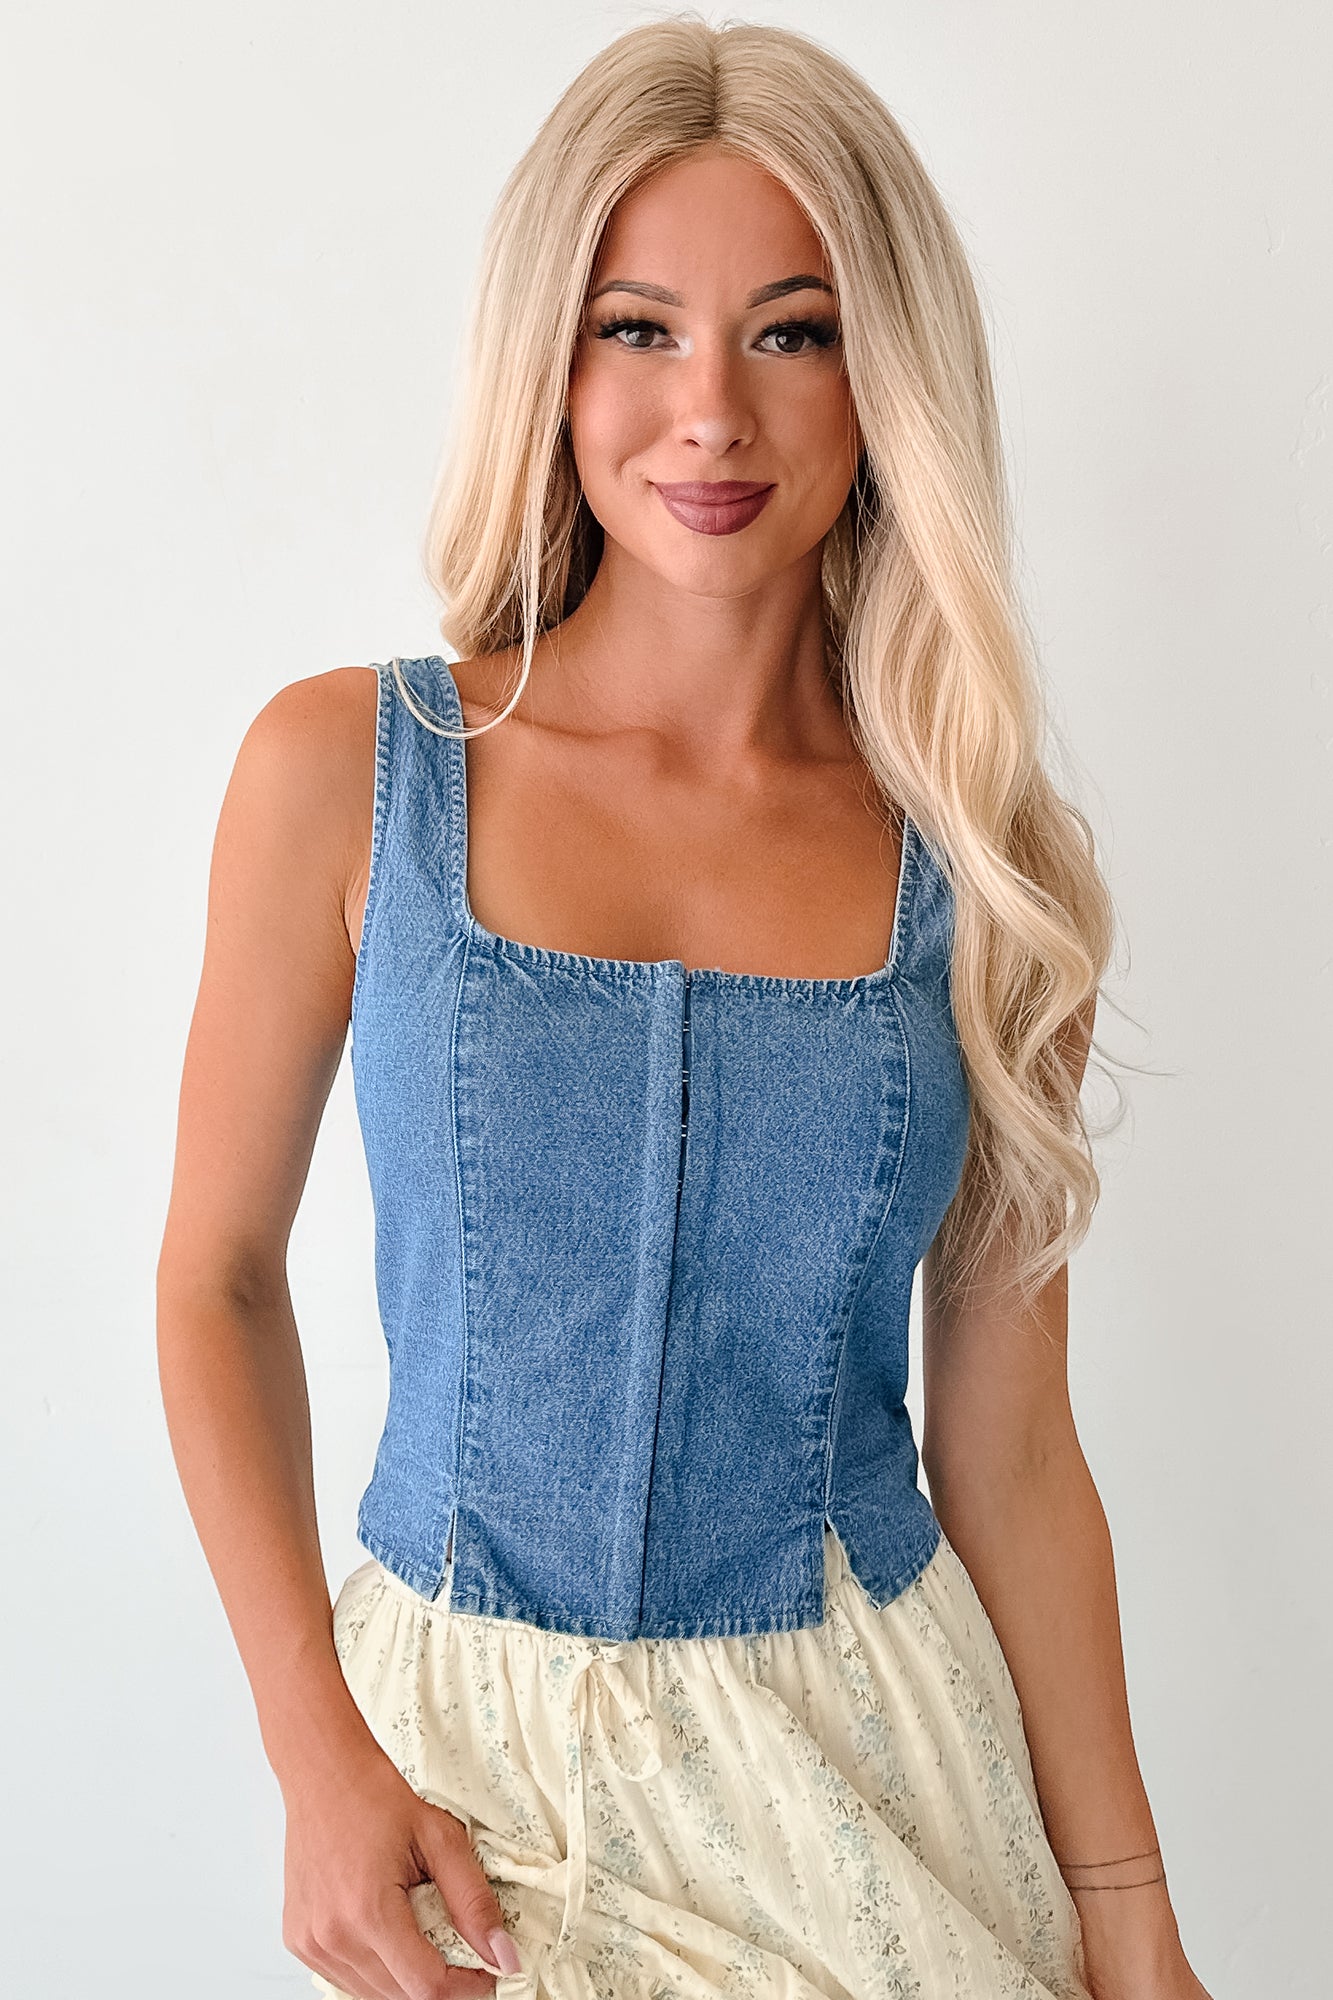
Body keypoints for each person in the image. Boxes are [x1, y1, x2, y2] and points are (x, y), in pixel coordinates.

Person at [156, 16, 1213, 2000]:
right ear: (548, 365)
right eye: (635, 328)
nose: (707, 412)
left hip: (879, 1786)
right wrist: (312, 1752)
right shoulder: (347, 773)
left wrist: (1134, 1925)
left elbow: (1010, 1454)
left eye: (790, 333)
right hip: (461, 1795)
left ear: (883, 378)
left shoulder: (984, 873)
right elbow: (215, 1279)